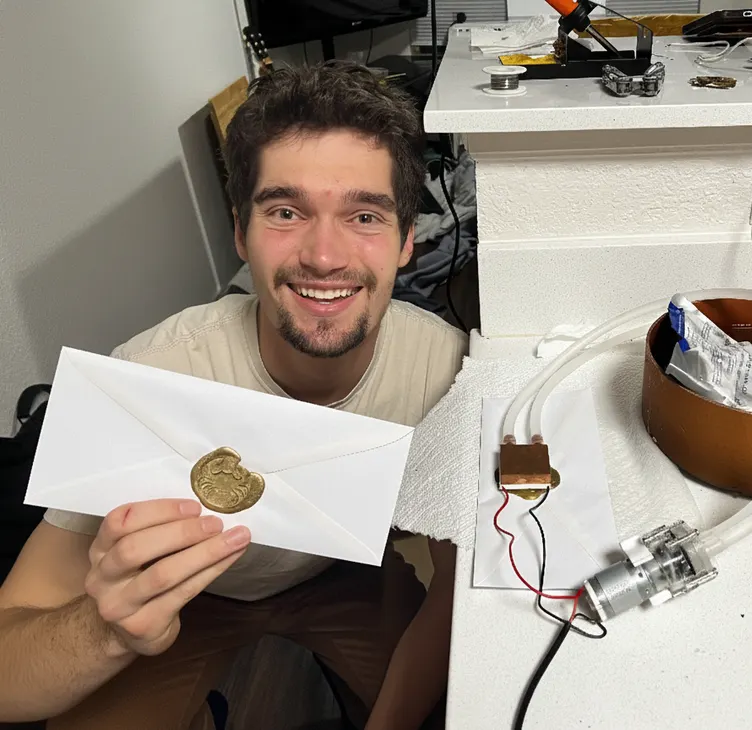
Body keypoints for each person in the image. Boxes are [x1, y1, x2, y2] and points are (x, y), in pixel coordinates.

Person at [0, 62, 467, 730]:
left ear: (405, 242)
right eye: (285, 211)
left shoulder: (446, 371)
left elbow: (456, 590)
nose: (325, 256)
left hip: (344, 575)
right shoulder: (149, 377)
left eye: (364, 214)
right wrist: (106, 629)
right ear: (240, 234)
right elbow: (7, 676)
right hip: (186, 597)